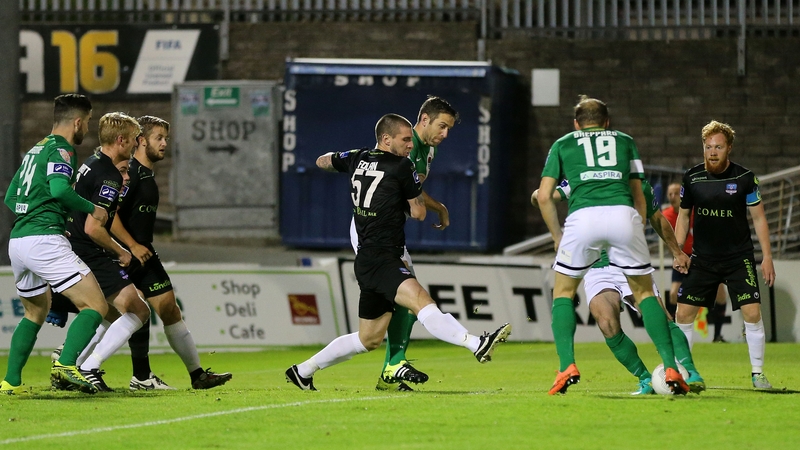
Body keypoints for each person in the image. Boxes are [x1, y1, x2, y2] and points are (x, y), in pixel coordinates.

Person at [286, 114, 510, 390]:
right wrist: (403, 194)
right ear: (386, 139)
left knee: (368, 339)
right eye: (404, 140)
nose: (409, 145)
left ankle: (303, 370)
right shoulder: (402, 166)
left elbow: (323, 160)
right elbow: (417, 212)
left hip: (367, 257)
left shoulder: (356, 157)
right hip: (383, 256)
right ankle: (476, 343)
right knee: (421, 302)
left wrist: (347, 165)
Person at [537, 95, 690, 395]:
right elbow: (638, 190)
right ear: (607, 122)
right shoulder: (625, 141)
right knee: (646, 293)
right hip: (623, 216)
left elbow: (544, 197)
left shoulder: (564, 143)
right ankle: (670, 366)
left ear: (576, 124)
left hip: (583, 219)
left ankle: (566, 364)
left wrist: (557, 236)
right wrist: (635, 225)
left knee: (563, 292)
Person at [532, 179, 705, 395]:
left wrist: (677, 252)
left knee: (660, 316)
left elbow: (657, 218)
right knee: (606, 323)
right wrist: (540, 195)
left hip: (628, 259)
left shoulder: (633, 178)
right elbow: (551, 194)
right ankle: (645, 379)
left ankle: (690, 370)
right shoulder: (580, 175)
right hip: (597, 268)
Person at [111, 115, 232, 390]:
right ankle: (81, 363)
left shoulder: (147, 176)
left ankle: (197, 375)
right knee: (120, 313)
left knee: (169, 309)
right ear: (141, 141)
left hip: (145, 253)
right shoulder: (128, 175)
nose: (165, 143)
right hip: (124, 253)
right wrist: (131, 246)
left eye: (166, 138)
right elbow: (109, 215)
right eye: (159, 138)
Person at [347, 96, 459, 392]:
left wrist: (439, 206)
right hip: (372, 232)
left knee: (395, 308)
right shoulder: (408, 152)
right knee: (407, 292)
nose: (445, 134)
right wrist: (438, 208)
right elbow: (415, 205)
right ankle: (393, 365)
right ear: (425, 120)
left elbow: (414, 192)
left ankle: (391, 366)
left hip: (386, 232)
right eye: (442, 126)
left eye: (449, 129)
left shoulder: (427, 148)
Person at [1, 94, 108, 395]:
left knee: (34, 312)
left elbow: (11, 197)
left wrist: (43, 217)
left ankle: (11, 382)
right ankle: (66, 364)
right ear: (77, 121)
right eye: (87, 122)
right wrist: (92, 209)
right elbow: (60, 190)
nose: (86, 128)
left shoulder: (36, 150)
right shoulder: (62, 149)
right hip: (43, 239)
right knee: (95, 305)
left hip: (19, 241)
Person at [45, 112, 152, 392]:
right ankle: (88, 367)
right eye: (132, 141)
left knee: (110, 314)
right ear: (120, 140)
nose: (135, 147)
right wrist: (121, 251)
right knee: (139, 309)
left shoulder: (91, 163)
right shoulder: (109, 176)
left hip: (73, 246)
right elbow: (94, 228)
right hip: (87, 249)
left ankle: (71, 360)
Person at [674, 120, 776, 389]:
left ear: (729, 147)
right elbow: (683, 217)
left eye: (718, 146)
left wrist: (767, 256)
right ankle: (683, 373)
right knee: (683, 314)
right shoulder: (692, 177)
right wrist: (677, 250)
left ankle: (757, 373)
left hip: (738, 258)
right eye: (708, 147)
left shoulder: (744, 178)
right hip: (703, 259)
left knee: (752, 313)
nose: (712, 152)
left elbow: (759, 218)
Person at [662, 182, 728, 341]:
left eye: (676, 193)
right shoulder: (666, 215)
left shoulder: (695, 212)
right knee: (673, 294)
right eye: (670, 194)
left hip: (703, 256)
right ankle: (674, 334)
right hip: (681, 257)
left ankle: (718, 335)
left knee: (720, 294)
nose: (672, 197)